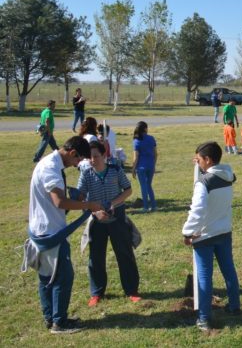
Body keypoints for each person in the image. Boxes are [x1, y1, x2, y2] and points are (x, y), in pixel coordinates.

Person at [26, 136, 106, 334]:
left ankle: (50, 317)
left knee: (47, 276)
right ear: (72, 153)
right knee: (63, 276)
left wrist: (73, 192)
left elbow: (54, 192)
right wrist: (88, 205)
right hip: (51, 232)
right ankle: (59, 322)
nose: (77, 164)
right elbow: (59, 202)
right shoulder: (50, 169)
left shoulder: (50, 164)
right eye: (78, 160)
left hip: (42, 229)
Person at [182, 142, 240, 332]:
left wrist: (188, 232)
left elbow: (197, 210)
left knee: (204, 276)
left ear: (207, 160)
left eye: (199, 160)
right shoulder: (227, 175)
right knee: (228, 270)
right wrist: (200, 166)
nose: (197, 162)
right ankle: (234, 306)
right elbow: (215, 174)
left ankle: (204, 318)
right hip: (224, 231)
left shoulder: (203, 183)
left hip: (205, 236)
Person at [77, 141, 140, 307]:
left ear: (104, 155)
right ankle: (97, 293)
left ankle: (132, 290)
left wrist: (113, 203)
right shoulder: (86, 174)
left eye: (96, 156)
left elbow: (128, 189)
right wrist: (93, 211)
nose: (92, 160)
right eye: (89, 157)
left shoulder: (115, 170)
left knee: (124, 254)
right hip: (96, 219)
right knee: (96, 257)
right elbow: (81, 197)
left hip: (117, 217)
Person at [132, 121, 157, 212]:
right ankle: (154, 205)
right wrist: (153, 165)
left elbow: (136, 157)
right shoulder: (151, 138)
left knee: (143, 186)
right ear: (145, 129)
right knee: (149, 185)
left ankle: (146, 207)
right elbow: (155, 154)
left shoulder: (136, 141)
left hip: (141, 167)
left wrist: (133, 168)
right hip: (150, 165)